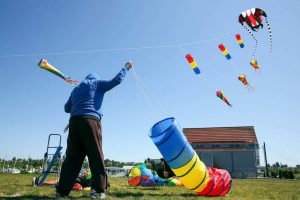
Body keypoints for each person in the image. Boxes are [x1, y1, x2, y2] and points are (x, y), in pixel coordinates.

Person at [56, 61, 133, 199]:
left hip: (74, 123)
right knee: (96, 156)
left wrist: (78, 102)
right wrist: (126, 68)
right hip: (90, 122)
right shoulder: (97, 83)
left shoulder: (76, 88)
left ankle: (61, 192)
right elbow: (116, 80)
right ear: (95, 79)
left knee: (72, 159)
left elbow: (66, 108)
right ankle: (97, 191)